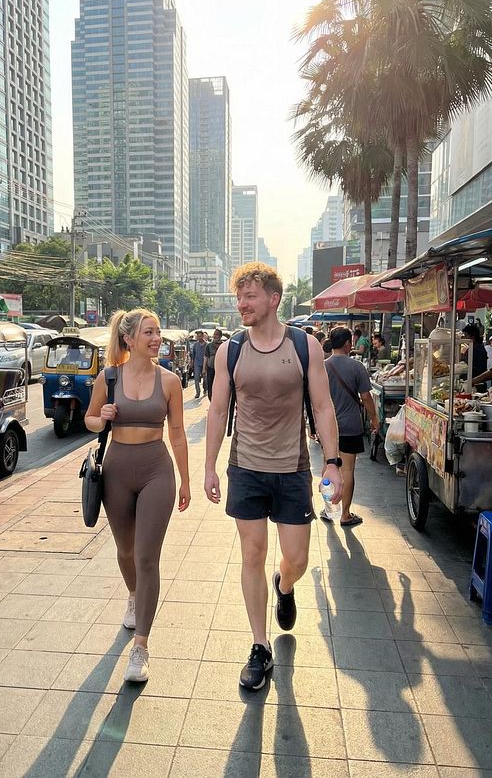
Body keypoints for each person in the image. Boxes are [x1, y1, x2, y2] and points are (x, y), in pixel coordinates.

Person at [204, 263, 344, 692]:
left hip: (292, 468)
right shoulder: (231, 350)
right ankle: (260, 646)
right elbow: (217, 410)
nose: (241, 305)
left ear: (273, 299)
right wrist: (208, 466)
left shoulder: (304, 346)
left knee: (296, 558)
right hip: (246, 467)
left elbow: (322, 407)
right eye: (238, 297)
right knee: (252, 554)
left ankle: (284, 585)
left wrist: (333, 463)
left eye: (249, 296)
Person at [84, 308, 190, 683]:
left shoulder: (170, 381)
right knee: (126, 551)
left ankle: (141, 647)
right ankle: (133, 595)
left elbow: (177, 432)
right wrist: (102, 417)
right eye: (148, 332)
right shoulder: (109, 377)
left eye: (158, 332)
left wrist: (186, 480)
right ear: (129, 339)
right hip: (116, 471)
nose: (156, 338)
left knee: (147, 557)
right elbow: (89, 420)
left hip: (156, 471)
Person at [323, 327, 380, 527]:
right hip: (350, 425)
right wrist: (374, 418)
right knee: (347, 470)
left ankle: (329, 510)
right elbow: (366, 397)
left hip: (327, 427)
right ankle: (345, 514)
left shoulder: (322, 367)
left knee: (328, 467)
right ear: (348, 344)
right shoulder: (357, 367)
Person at [204, 328, 223, 400]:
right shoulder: (209, 346)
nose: (215, 336)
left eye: (217, 334)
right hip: (210, 368)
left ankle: (218, 400)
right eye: (214, 334)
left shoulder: (223, 345)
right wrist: (204, 368)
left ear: (220, 336)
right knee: (210, 385)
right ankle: (211, 400)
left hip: (221, 370)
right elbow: (206, 357)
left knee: (219, 386)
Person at [190, 330, 207, 399]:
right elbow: (193, 355)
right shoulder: (195, 345)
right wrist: (192, 363)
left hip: (205, 364)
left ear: (203, 336)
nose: (199, 338)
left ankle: (205, 389)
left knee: (205, 379)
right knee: (196, 378)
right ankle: (198, 392)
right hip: (197, 364)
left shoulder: (207, 345)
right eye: (198, 336)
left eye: (200, 336)